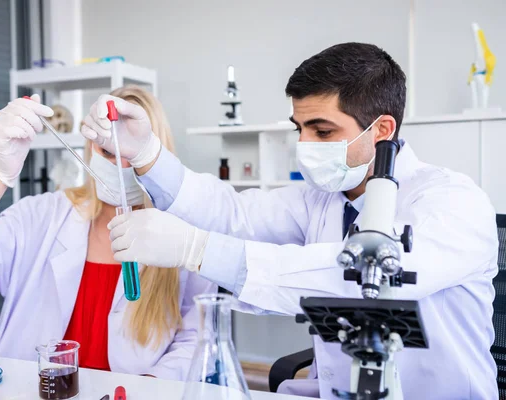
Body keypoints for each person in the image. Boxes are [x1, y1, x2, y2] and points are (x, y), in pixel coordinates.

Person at [80, 43, 499, 399]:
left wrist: (198, 249)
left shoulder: (453, 203)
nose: (303, 145)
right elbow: (234, 213)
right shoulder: (322, 199)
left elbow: (360, 282)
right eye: (299, 128)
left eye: (322, 131)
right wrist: (147, 154)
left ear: (381, 129)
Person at [0, 86, 215, 381]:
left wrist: (150, 384)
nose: (121, 162)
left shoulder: (184, 231)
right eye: (109, 149)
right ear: (90, 149)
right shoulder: (40, 216)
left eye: (135, 150)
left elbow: (197, 337)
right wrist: (0, 174)